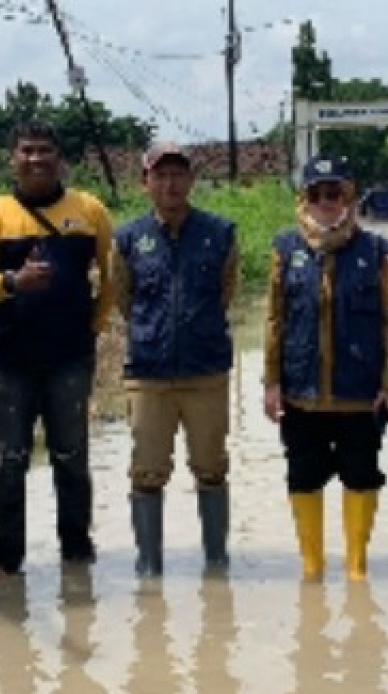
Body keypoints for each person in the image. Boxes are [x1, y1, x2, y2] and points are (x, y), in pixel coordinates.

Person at [0, 120, 113, 576]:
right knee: (7, 462)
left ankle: (77, 554)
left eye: (45, 150)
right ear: (12, 158)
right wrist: (14, 281)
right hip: (8, 360)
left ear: (59, 158)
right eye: (27, 150)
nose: (36, 159)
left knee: (72, 457)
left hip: (70, 358)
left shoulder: (89, 210)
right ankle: (3, 565)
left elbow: (113, 276)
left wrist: (93, 326)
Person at [264, 155, 388, 581]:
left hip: (359, 392)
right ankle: (312, 565)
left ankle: (357, 565)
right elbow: (274, 320)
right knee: (303, 477)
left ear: (349, 197)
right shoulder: (285, 249)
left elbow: (387, 322)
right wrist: (271, 383)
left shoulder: (374, 251)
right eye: (317, 193)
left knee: (362, 476)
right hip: (301, 391)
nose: (326, 202)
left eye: (335, 193)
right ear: (304, 199)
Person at [110, 142, 238, 577]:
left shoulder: (220, 233)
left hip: (206, 371)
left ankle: (217, 565)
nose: (171, 184)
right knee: (147, 472)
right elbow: (124, 298)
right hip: (149, 374)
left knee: (211, 468)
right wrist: (154, 332)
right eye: (161, 175)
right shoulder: (128, 239)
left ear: (191, 180)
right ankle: (149, 569)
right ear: (145, 182)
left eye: (178, 174)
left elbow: (224, 293)